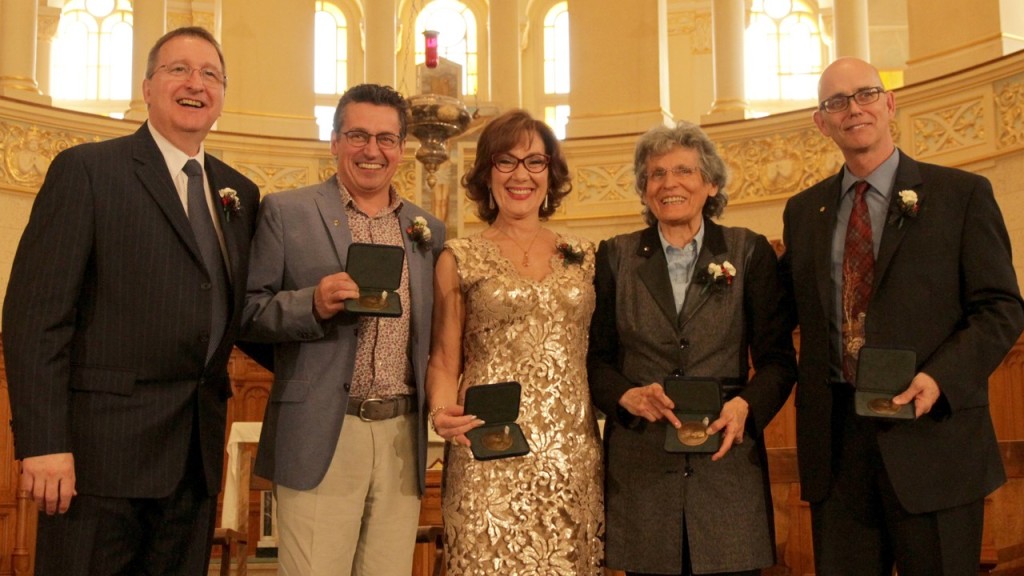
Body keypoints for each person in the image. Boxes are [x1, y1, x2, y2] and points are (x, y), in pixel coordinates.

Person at [2, 27, 261, 575]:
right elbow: (35, 317)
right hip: (100, 459)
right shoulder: (89, 171)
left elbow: (238, 313)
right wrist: (43, 443)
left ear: (223, 95)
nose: (195, 84)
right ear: (146, 87)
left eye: (210, 75)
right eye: (178, 69)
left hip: (193, 461)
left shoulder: (237, 193)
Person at [779, 57, 1024, 576]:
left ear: (890, 104)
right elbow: (781, 311)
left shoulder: (961, 195)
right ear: (821, 122)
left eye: (866, 94)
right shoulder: (804, 212)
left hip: (932, 438)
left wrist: (941, 378)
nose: (854, 109)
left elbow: (1001, 308)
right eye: (836, 102)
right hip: (838, 451)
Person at [242, 83, 445, 576]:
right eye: (358, 135)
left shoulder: (426, 230)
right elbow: (248, 313)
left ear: (401, 148)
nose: (372, 150)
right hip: (322, 431)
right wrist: (311, 303)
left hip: (401, 436)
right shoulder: (287, 212)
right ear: (334, 141)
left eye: (386, 138)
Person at [587, 121, 797, 576]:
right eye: (656, 174)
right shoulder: (615, 256)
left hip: (727, 468)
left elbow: (779, 362)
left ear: (711, 184)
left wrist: (745, 407)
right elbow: (596, 361)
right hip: (642, 473)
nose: (669, 183)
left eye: (684, 171)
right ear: (644, 190)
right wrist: (626, 396)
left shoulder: (748, 252)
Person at [426, 109, 604, 575]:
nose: (520, 175)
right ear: (487, 173)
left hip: (570, 455)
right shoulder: (459, 257)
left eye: (534, 162)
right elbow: (443, 358)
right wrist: (441, 411)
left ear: (551, 173)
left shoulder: (585, 256)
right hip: (487, 448)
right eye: (505, 161)